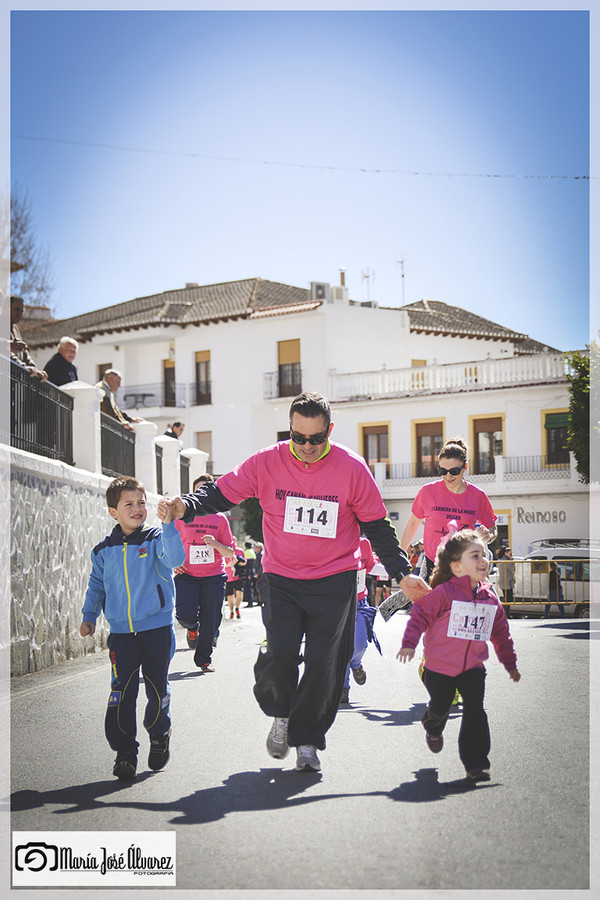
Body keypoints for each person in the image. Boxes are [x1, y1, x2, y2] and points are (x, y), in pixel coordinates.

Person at [161, 391, 429, 773]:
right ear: (289, 429)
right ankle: (282, 714)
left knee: (324, 666)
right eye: (297, 437)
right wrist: (186, 505)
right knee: (281, 653)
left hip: (334, 580)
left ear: (329, 431)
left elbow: (378, 529)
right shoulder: (267, 462)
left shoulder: (351, 469)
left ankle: (307, 741)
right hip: (281, 578)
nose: (305, 446)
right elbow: (221, 492)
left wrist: (402, 575)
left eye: (315, 439)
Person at [79, 476, 185, 780]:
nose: (138, 508)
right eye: (129, 504)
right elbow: (96, 586)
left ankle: (159, 734)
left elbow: (176, 558)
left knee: (155, 687)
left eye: (142, 502)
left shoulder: (155, 539)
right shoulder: (102, 551)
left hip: (157, 630)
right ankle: (125, 752)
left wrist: (168, 526)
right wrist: (89, 615)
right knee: (121, 691)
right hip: (122, 634)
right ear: (114, 512)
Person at [397, 529, 521, 783]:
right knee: (441, 706)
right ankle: (432, 723)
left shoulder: (489, 597)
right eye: (475, 556)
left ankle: (476, 764)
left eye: (484, 555)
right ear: (457, 567)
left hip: (473, 668)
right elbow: (419, 614)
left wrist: (510, 663)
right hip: (438, 669)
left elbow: (501, 632)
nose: (483, 560)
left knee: (475, 712)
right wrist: (409, 643)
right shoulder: (443, 593)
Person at [400, 437, 497, 583]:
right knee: (422, 604)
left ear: (465, 467)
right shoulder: (428, 492)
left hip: (465, 567)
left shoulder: (478, 496)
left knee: (489, 601)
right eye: (443, 471)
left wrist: (488, 536)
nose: (448, 476)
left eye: (454, 471)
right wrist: (400, 557)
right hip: (433, 566)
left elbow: (492, 528)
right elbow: (413, 523)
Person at [173, 475, 236, 672]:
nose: (203, 495)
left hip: (214, 577)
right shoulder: (181, 517)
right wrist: (174, 562)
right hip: (187, 575)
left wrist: (216, 544)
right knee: (185, 615)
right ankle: (192, 628)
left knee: (211, 620)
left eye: (207, 490)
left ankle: (204, 660)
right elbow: (168, 542)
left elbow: (230, 552)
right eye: (199, 490)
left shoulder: (220, 518)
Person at [340, 536, 381, 705]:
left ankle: (356, 664)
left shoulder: (363, 543)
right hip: (335, 603)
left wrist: (399, 572)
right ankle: (343, 688)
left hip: (359, 602)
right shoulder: (329, 540)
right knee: (340, 648)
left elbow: (372, 566)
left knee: (359, 644)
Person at [10, 296, 47, 380]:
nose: (19, 314)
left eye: (21, 311)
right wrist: (25, 368)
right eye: (16, 309)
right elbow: (5, 352)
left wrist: (35, 369)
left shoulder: (15, 328)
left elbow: (24, 352)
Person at [497, 546, 515, 616]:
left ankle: (506, 614)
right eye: (510, 554)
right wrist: (512, 560)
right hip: (506, 583)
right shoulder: (506, 560)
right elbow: (513, 569)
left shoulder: (502, 559)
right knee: (508, 600)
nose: (511, 556)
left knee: (508, 599)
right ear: (506, 553)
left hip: (505, 582)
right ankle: (505, 614)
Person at [242, 541, 256, 607]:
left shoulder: (245, 552)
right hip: (252, 571)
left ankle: (250, 602)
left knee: (248, 587)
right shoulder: (252, 552)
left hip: (248, 571)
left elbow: (242, 562)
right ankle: (250, 601)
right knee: (250, 586)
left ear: (245, 546)